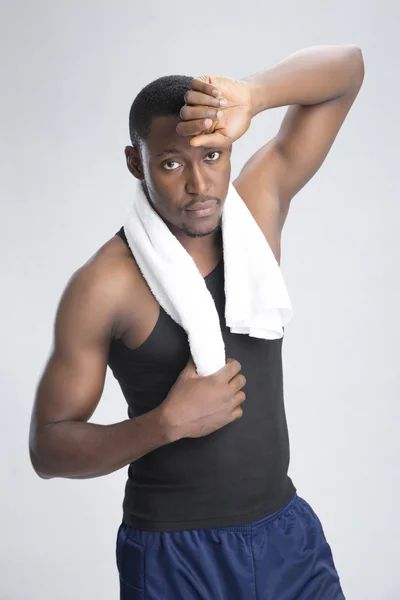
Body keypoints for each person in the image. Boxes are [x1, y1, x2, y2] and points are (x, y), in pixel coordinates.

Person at [29, 45, 364, 599]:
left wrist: (254, 95)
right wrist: (163, 425)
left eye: (212, 156)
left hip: (284, 534)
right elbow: (48, 448)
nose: (199, 185)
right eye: (170, 163)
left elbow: (348, 70)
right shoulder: (103, 285)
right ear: (136, 164)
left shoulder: (256, 211)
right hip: (175, 556)